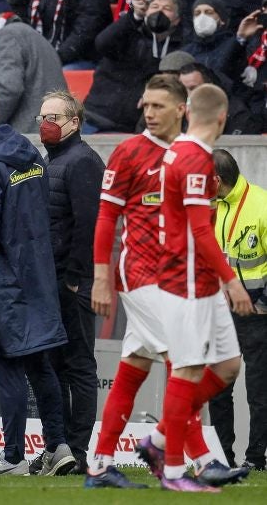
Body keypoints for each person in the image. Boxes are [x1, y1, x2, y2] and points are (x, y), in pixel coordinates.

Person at [84, 74, 246, 490]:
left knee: (134, 367)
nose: (148, 113)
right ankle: (196, 459)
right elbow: (106, 217)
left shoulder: (188, 153)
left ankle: (101, 464)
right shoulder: (129, 151)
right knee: (183, 363)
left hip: (177, 276)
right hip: (140, 275)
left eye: (157, 106)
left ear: (182, 110)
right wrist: (102, 276)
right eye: (145, 105)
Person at [0, 83, 74, 476]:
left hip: (3, 279)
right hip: (36, 272)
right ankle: (58, 446)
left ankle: (14, 457)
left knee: (6, 365)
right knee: (39, 363)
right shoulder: (28, 154)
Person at [147, 83, 255, 492]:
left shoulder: (183, 153)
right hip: (185, 280)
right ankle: (173, 469)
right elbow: (199, 230)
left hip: (199, 280)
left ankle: (159, 437)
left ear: (189, 112)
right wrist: (232, 281)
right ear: (223, 119)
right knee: (189, 371)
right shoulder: (192, 157)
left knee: (228, 367)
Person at [38, 91, 104, 474]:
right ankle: (60, 447)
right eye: (42, 116)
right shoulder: (55, 159)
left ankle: (77, 449)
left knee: (78, 365)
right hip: (53, 280)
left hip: (72, 281)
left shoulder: (82, 161)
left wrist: (78, 279)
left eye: (54, 117)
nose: (46, 123)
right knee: (58, 365)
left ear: (74, 121)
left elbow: (89, 225)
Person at [209, 149, 267, 471]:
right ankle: (222, 458)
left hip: (258, 315)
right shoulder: (215, 207)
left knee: (258, 392)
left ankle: (256, 460)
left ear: (216, 180)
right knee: (217, 390)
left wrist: (262, 304)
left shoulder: (261, 204)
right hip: (226, 312)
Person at [83, 0, 183, 133]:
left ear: (176, 19)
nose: (159, 12)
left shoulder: (180, 47)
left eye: (167, 8)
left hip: (133, 127)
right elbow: (102, 43)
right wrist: (133, 17)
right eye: (154, 6)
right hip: (95, 116)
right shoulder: (128, 32)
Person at [0, 0, 67, 133]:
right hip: (53, 129)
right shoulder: (32, 35)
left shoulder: (4, 36)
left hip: (29, 134)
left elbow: (8, 89)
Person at [178, 63, 264, 135]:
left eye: (193, 88)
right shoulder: (179, 114)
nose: (189, 95)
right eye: (183, 89)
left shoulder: (238, 116)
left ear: (209, 86)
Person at [182, 0, 244, 84]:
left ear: (222, 19)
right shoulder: (186, 51)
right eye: (197, 13)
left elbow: (223, 69)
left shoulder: (235, 45)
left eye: (209, 12)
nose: (202, 17)